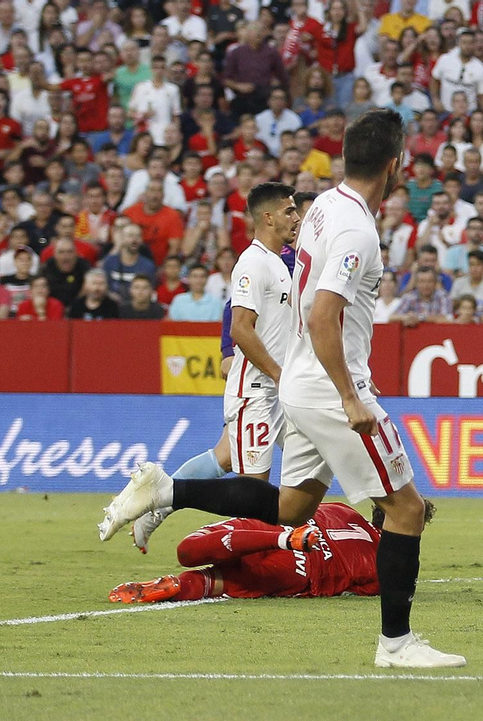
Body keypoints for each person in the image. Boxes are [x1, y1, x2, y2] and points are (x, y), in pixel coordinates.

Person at [97, 110, 463, 668]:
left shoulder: (322, 211)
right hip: (326, 386)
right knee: (406, 509)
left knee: (292, 508)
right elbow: (323, 316)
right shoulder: (354, 228)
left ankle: (166, 491)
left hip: (297, 381)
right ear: (395, 165)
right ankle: (396, 644)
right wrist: (349, 394)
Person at [138, 183, 300, 545]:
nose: (298, 218)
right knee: (252, 489)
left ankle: (160, 501)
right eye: (291, 211)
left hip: (287, 387)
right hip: (261, 385)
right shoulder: (256, 261)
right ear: (269, 217)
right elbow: (237, 313)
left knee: (227, 458)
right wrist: (230, 349)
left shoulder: (290, 257)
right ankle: (164, 503)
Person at [109, 502, 433, 604]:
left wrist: (283, 537)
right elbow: (371, 588)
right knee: (220, 582)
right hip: (302, 568)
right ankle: (182, 585)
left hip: (271, 531)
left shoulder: (343, 510)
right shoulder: (384, 566)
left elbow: (302, 506)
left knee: (188, 549)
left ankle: (279, 539)